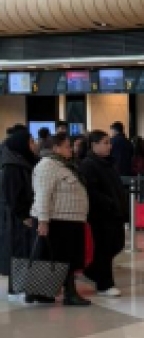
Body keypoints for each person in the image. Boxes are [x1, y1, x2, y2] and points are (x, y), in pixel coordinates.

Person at [30, 130, 91, 306]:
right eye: (67, 146)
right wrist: (43, 221)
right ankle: (63, 293)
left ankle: (58, 292)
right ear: (55, 148)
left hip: (69, 221)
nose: (71, 149)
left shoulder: (63, 165)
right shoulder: (47, 165)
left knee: (68, 259)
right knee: (60, 259)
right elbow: (42, 195)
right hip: (57, 221)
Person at [78, 130, 128, 298]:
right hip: (100, 215)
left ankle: (94, 272)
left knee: (116, 244)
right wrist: (109, 203)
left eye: (109, 142)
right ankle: (104, 283)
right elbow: (91, 191)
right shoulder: (88, 165)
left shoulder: (107, 163)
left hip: (113, 213)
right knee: (103, 249)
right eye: (105, 143)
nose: (109, 146)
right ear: (94, 145)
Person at [0, 126, 37, 299]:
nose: (34, 144)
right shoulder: (12, 166)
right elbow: (13, 195)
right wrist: (23, 216)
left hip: (23, 215)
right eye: (31, 141)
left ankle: (24, 286)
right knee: (19, 251)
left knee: (25, 250)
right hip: (17, 218)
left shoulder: (24, 161)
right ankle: (17, 289)